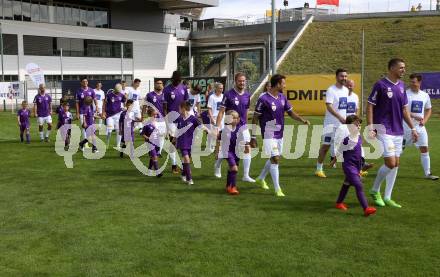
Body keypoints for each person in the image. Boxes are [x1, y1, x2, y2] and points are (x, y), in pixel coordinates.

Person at [367, 58, 418, 208]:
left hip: (398, 130)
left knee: (396, 164)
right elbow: (370, 105)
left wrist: (413, 128)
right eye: (401, 67)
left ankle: (388, 196)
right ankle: (375, 190)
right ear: (392, 68)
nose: (404, 70)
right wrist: (371, 126)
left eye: (404, 67)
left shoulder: (402, 86)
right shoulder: (380, 84)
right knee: (390, 163)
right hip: (383, 129)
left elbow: (404, 110)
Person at [251, 74, 310, 197]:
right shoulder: (264, 99)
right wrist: (253, 136)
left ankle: (261, 178)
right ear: (277, 84)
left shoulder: (282, 97)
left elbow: (291, 113)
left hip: (280, 133)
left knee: (274, 158)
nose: (285, 85)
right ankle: (278, 189)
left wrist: (302, 120)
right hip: (268, 134)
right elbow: (255, 117)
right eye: (283, 83)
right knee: (276, 159)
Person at [332, 115, 377, 217]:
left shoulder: (359, 137)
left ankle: (339, 203)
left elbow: (360, 148)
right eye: (356, 124)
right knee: (358, 185)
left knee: (346, 184)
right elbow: (339, 151)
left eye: (360, 124)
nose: (359, 126)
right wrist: (333, 161)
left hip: (356, 167)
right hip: (348, 166)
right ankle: (366, 208)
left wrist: (373, 134)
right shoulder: (346, 140)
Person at [216, 72, 255, 183]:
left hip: (242, 126)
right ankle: (217, 165)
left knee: (247, 148)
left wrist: (246, 125)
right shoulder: (228, 94)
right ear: (235, 81)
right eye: (240, 81)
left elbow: (246, 112)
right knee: (227, 150)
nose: (242, 82)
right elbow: (221, 112)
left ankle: (246, 175)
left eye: (243, 81)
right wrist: (217, 127)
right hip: (230, 127)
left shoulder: (247, 95)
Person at [402, 73, 438, 180]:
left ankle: (428, 173)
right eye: (411, 82)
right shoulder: (405, 94)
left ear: (419, 82)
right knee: (398, 151)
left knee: (424, 148)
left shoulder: (424, 95)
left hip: (420, 128)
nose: (412, 84)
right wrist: (414, 116)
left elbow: (429, 109)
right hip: (405, 127)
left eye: (414, 82)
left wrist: (424, 121)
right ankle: (389, 170)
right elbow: (402, 110)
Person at [315, 68, 349, 178]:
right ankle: (319, 169)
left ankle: (354, 169)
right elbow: (329, 106)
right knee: (326, 146)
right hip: (330, 124)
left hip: (342, 125)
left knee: (348, 146)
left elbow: (344, 107)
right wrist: (339, 117)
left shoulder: (346, 90)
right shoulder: (331, 90)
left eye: (345, 76)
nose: (344, 78)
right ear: (336, 77)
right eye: (341, 76)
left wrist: (347, 119)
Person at [173, 101, 211, 185]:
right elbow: (177, 130)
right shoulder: (179, 119)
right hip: (182, 143)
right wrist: (175, 139)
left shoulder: (193, 119)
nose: (178, 110)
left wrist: (209, 131)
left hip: (191, 143)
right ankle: (189, 179)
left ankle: (183, 174)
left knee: (187, 160)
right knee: (186, 158)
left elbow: (201, 126)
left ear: (183, 108)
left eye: (179, 108)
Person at [163, 71, 189, 174]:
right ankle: (174, 165)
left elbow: (186, 104)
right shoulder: (167, 89)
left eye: (179, 80)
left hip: (182, 119)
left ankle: (184, 164)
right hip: (171, 120)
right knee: (173, 142)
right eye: (176, 80)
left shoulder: (183, 88)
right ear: (173, 79)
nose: (178, 82)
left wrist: (186, 115)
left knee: (183, 143)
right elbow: (164, 107)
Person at [216, 110, 241, 195]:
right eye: (233, 118)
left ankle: (228, 185)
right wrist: (217, 152)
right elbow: (219, 141)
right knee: (234, 168)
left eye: (236, 118)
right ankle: (233, 188)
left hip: (236, 152)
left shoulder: (239, 129)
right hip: (227, 152)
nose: (235, 119)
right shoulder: (224, 130)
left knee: (231, 169)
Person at [144, 79, 166, 154]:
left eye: (161, 83)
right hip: (153, 119)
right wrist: (143, 114)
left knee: (162, 136)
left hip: (162, 119)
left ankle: (158, 152)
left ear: (163, 85)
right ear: (155, 84)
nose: (159, 84)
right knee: (153, 135)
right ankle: (152, 149)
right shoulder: (149, 95)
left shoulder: (165, 95)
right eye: (158, 83)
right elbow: (144, 105)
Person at [102, 83, 126, 148]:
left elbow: (124, 102)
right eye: (117, 92)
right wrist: (103, 113)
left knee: (119, 130)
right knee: (109, 130)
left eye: (119, 92)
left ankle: (118, 145)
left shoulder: (122, 95)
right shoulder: (108, 95)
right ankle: (107, 142)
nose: (118, 93)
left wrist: (125, 107)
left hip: (118, 115)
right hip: (109, 115)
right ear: (115, 90)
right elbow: (104, 104)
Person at [141, 107, 163, 177]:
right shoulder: (147, 123)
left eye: (156, 115)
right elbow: (142, 134)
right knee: (154, 156)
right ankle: (157, 172)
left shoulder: (157, 123)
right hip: (150, 143)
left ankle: (149, 170)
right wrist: (148, 138)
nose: (155, 116)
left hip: (157, 142)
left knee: (152, 157)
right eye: (154, 115)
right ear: (150, 115)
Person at [207, 82, 225, 155]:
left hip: (222, 118)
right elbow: (209, 108)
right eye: (220, 88)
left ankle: (219, 148)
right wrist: (211, 117)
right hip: (214, 117)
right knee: (214, 134)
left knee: (221, 133)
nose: (221, 89)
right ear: (216, 88)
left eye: (222, 88)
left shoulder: (223, 96)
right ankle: (211, 147)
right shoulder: (212, 97)